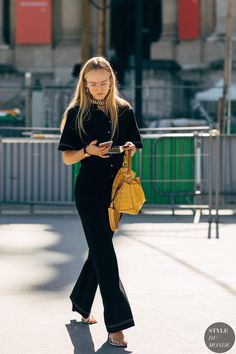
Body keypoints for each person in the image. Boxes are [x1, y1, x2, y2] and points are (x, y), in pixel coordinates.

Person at [58, 56, 143, 348]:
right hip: (89, 192)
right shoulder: (76, 112)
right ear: (84, 83)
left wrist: (129, 148)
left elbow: (132, 144)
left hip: (116, 191)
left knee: (100, 249)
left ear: (112, 82)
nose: (98, 88)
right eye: (92, 84)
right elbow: (67, 157)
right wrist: (88, 151)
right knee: (105, 255)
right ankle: (116, 325)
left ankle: (81, 302)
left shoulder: (124, 110)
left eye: (103, 83)